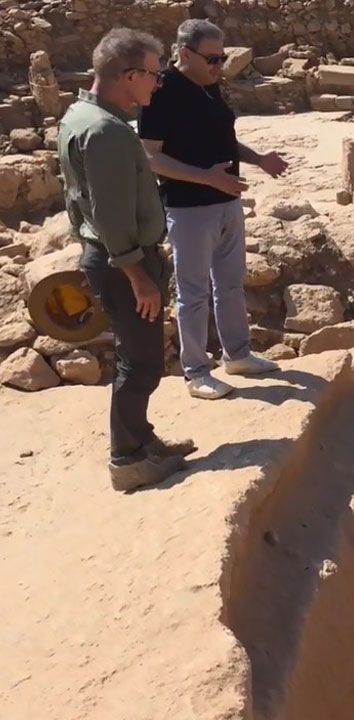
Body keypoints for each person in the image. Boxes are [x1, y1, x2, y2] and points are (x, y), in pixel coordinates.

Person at [59, 28, 196, 492]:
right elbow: (111, 215)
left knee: (138, 360)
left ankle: (142, 440)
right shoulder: (106, 132)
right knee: (139, 365)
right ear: (130, 74)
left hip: (116, 257)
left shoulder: (83, 115)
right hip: (123, 264)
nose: (158, 84)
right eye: (155, 75)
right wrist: (139, 276)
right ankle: (128, 459)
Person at [138, 18, 289, 400]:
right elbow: (150, 158)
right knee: (193, 292)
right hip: (190, 209)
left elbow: (224, 140)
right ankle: (196, 372)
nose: (219, 65)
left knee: (232, 283)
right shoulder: (162, 92)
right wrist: (208, 178)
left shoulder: (209, 86)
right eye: (212, 58)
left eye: (223, 58)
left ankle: (237, 355)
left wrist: (259, 159)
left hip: (227, 202)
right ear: (184, 54)